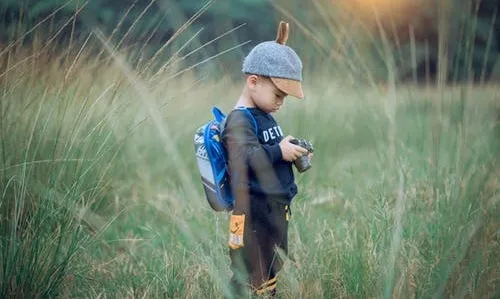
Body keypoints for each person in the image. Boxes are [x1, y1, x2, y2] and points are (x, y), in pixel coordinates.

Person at [221, 21, 310, 298]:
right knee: (250, 267)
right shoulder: (239, 120)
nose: (281, 102)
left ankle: (266, 293)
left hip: (271, 209)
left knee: (271, 262)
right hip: (252, 212)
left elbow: (267, 151)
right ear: (253, 81)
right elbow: (246, 157)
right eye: (278, 94)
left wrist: (290, 148)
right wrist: (278, 151)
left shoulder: (264, 115)